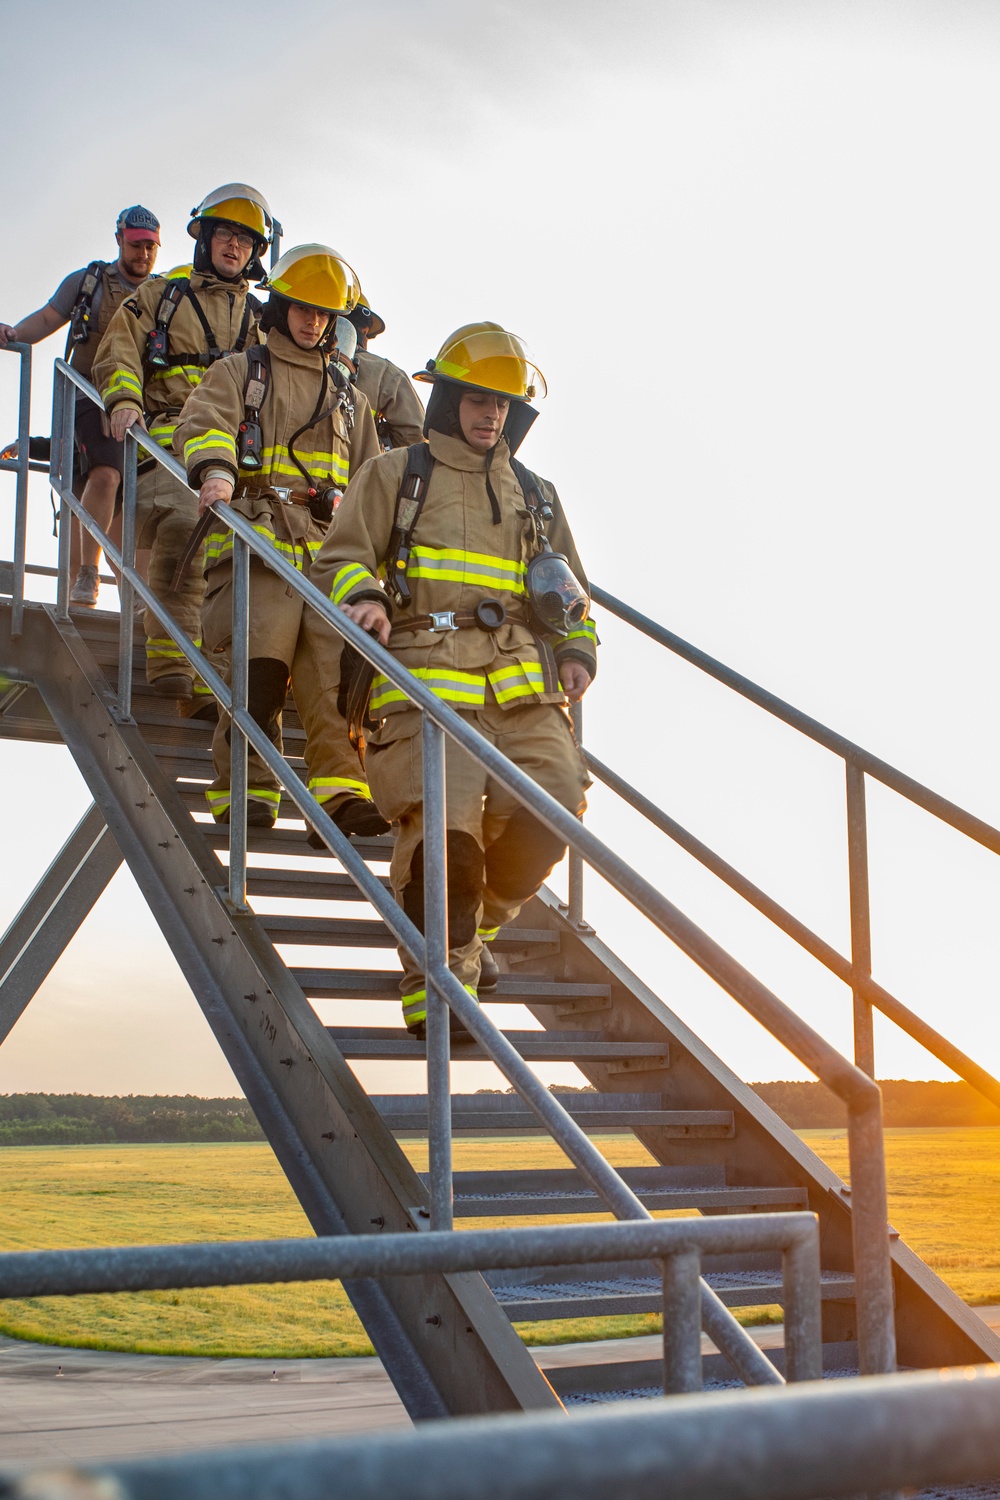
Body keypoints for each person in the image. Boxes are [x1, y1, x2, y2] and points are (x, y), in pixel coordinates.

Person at [309, 323, 598, 1036]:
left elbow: (571, 595)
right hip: (425, 682)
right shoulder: (395, 473)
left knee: (558, 806)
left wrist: (576, 651)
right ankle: (437, 991)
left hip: (522, 686)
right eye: (476, 399)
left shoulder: (537, 495)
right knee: (448, 842)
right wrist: (367, 598)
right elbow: (340, 557)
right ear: (447, 400)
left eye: (502, 404)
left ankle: (475, 930)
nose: (490, 414)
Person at [172, 244, 384, 832]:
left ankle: (340, 793)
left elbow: (375, 481)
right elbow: (203, 421)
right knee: (259, 675)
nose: (313, 322)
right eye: (302, 309)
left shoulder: (351, 400)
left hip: (328, 555)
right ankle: (245, 786)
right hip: (257, 545)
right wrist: (216, 470)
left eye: (324, 314)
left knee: (336, 676)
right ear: (280, 308)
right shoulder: (240, 371)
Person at [93, 184, 272, 708]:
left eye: (244, 240)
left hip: (237, 452)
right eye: (225, 234)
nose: (234, 246)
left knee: (239, 564)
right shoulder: (161, 296)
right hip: (169, 442)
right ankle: (173, 661)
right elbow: (118, 348)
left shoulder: (263, 320)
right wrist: (124, 398)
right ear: (204, 239)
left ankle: (216, 684)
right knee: (183, 528)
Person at [0, 206, 161, 607]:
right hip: (88, 392)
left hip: (139, 403)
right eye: (136, 245)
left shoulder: (163, 295)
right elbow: (47, 318)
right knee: (105, 476)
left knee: (128, 508)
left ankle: (137, 604)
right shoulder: (89, 283)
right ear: (119, 239)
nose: (143, 254)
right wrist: (13, 333)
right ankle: (87, 574)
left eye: (151, 247)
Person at [348, 292, 425, 450]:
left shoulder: (300, 359)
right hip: (359, 466)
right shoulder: (384, 372)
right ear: (365, 331)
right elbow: (415, 435)